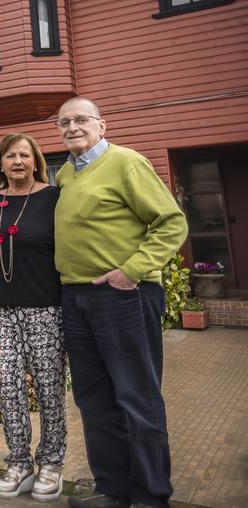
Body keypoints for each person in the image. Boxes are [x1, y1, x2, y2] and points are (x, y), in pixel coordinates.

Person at [53, 97, 187, 508]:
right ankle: (113, 490)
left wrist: (132, 270)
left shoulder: (126, 162)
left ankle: (151, 497)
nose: (72, 127)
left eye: (81, 120)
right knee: (94, 399)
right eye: (64, 122)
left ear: (101, 125)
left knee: (137, 397)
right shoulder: (64, 174)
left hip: (122, 296)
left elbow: (171, 221)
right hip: (76, 298)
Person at [0, 133, 66, 502]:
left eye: (24, 156)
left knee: (49, 388)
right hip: (3, 309)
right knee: (9, 388)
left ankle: (51, 463)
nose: (17, 162)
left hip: (46, 306)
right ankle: (19, 462)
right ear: (0, 163)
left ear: (36, 161)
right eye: (10, 156)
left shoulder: (53, 197)